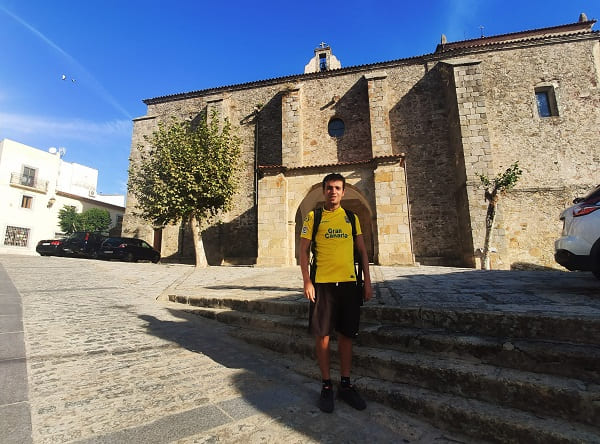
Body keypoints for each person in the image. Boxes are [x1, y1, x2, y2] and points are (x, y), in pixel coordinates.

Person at [299, 173, 373, 413]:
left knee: (346, 335)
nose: (333, 191)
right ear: (324, 191)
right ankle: (327, 385)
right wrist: (307, 281)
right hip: (322, 285)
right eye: (329, 188)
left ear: (343, 192)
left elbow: (362, 251)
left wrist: (368, 282)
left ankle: (345, 383)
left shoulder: (352, 218)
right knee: (322, 335)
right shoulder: (314, 217)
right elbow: (303, 252)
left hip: (349, 284)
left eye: (338, 188)